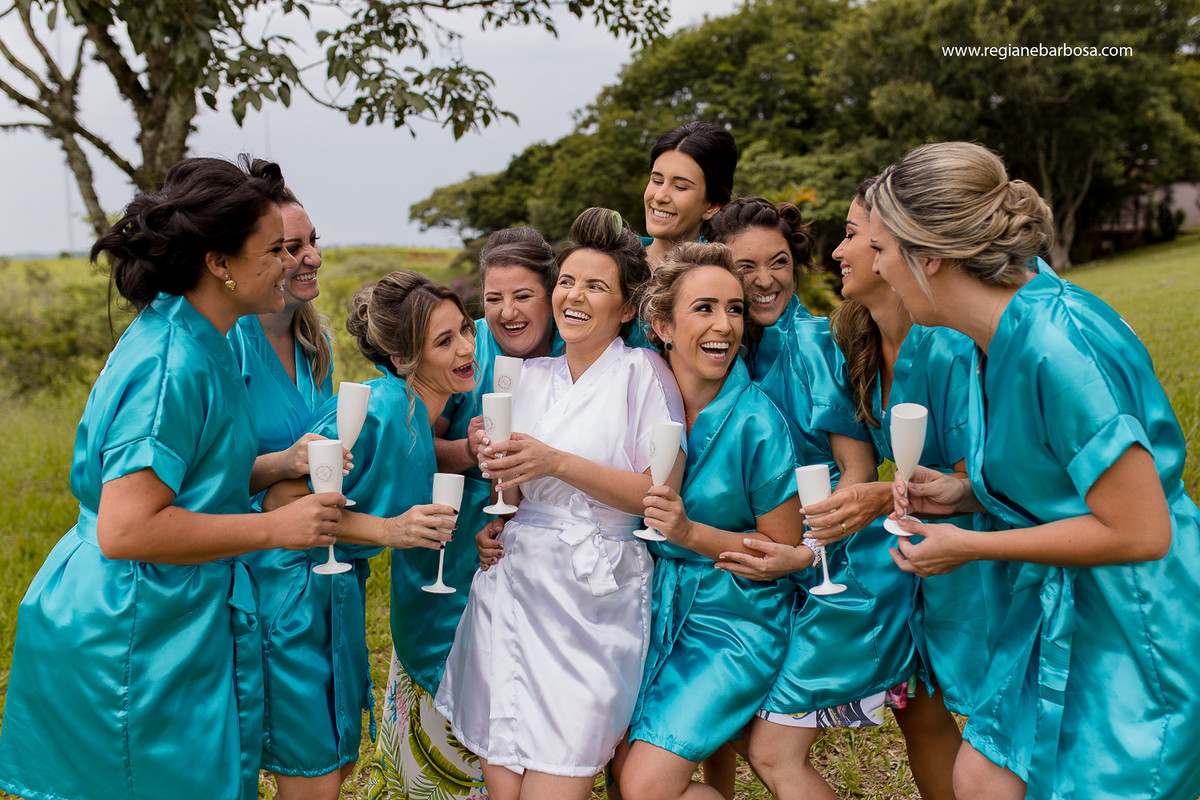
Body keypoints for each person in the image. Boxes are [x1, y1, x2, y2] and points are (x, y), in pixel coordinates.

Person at [0, 156, 344, 800]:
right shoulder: (170, 364)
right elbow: (126, 527)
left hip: (182, 612)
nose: (290, 263)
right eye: (274, 250)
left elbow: (192, 477)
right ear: (221, 263)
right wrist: (273, 528)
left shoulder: (207, 335)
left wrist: (279, 465)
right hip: (136, 626)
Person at [872, 141, 1200, 800]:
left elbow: (1143, 531)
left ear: (926, 256)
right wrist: (962, 492)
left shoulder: (1060, 346)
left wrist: (970, 545)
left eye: (880, 249)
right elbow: (1051, 473)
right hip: (1056, 619)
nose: (876, 268)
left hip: (1134, 629)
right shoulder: (987, 340)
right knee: (982, 780)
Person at [435, 207, 685, 800]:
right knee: (503, 777)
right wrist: (499, 510)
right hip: (514, 585)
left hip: (595, 595)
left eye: (595, 286)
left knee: (559, 781)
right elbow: (510, 492)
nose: (574, 295)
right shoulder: (523, 376)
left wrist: (557, 462)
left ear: (627, 308)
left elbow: (659, 492)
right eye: (568, 282)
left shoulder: (643, 373)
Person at [707, 196, 915, 800]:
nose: (766, 280)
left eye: (779, 262)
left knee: (774, 754)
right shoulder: (726, 351)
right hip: (777, 573)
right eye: (747, 268)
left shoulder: (816, 344)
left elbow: (855, 472)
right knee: (742, 728)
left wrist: (804, 549)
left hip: (842, 573)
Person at [372, 228, 558, 800]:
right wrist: (467, 451)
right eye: (493, 297)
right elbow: (419, 438)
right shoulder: (466, 352)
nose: (506, 312)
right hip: (452, 558)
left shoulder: (576, 354)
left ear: (552, 293)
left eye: (523, 295)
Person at [617, 242, 807, 800]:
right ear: (662, 324)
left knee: (645, 786)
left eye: (733, 308)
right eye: (703, 308)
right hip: (650, 609)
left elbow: (783, 548)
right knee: (619, 769)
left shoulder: (757, 422)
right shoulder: (641, 396)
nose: (723, 324)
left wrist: (688, 533)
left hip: (734, 620)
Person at [826, 178, 982, 800]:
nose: (838, 252)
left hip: (978, 549)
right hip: (916, 550)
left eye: (850, 234)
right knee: (917, 706)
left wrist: (879, 496)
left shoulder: (947, 346)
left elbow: (991, 472)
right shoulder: (858, 342)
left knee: (994, 714)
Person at [226, 186, 347, 799]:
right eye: (289, 247)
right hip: (260, 579)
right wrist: (280, 464)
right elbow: (200, 479)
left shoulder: (312, 343)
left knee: (338, 755)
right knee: (312, 774)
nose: (310, 258)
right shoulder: (226, 346)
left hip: (325, 575)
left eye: (311, 242)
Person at [643, 122, 739, 266]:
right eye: (657, 180)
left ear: (712, 205)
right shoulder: (613, 256)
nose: (659, 196)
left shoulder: (723, 272)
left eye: (680, 187)